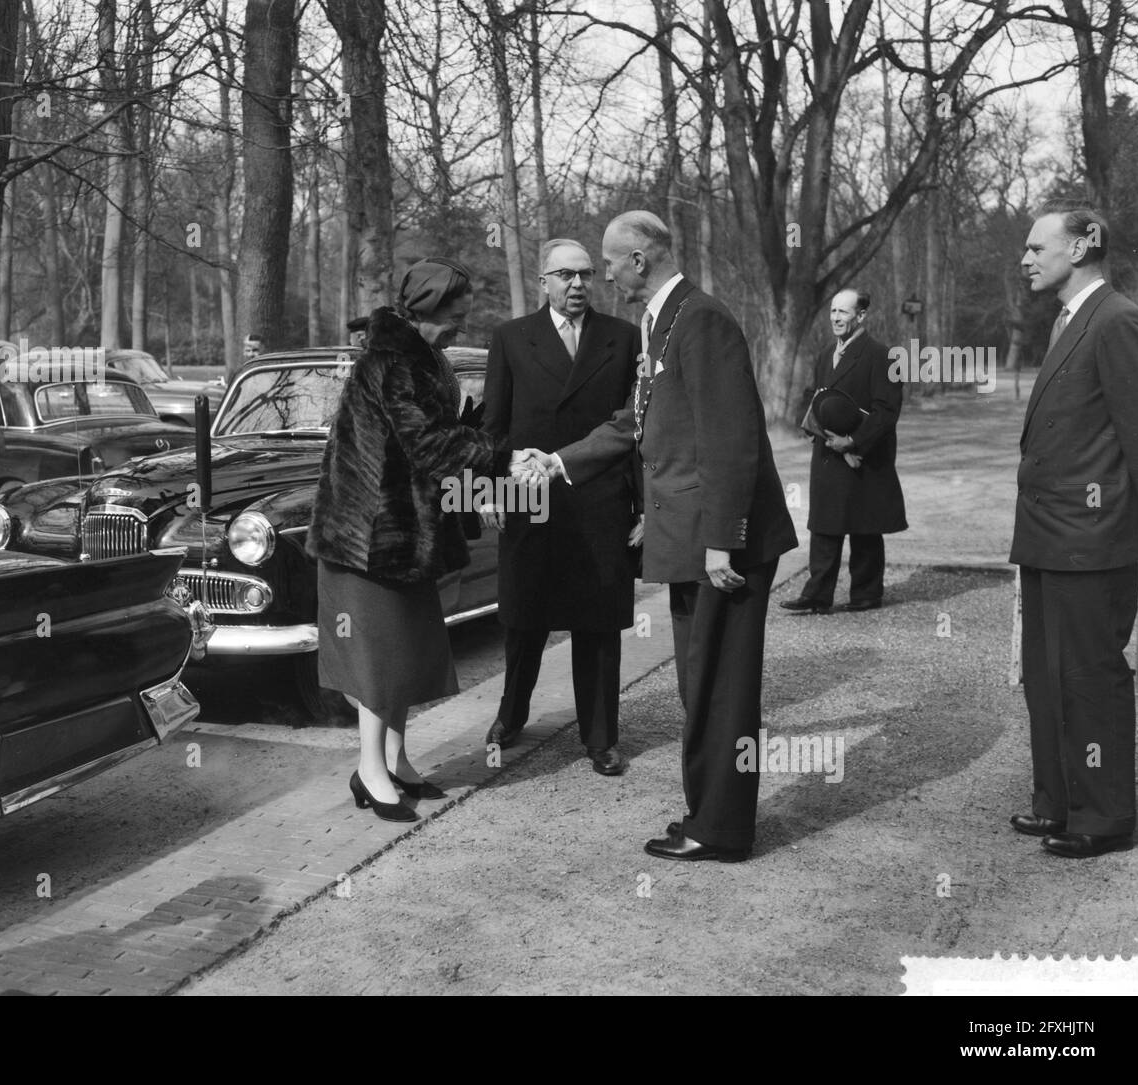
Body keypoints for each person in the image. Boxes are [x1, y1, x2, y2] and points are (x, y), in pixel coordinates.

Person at [517, 211, 797, 862]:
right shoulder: (662, 322)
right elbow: (632, 421)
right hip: (693, 540)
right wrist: (558, 461)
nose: (603, 274)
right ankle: (708, 815)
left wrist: (726, 540)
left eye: (611, 262)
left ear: (640, 259)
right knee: (699, 685)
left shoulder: (702, 321)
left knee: (719, 690)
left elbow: (731, 441)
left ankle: (720, 829)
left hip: (719, 546)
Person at [306, 258, 508, 822]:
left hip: (402, 534)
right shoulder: (390, 362)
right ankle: (369, 771)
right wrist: (495, 449)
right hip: (367, 536)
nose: (460, 329)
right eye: (454, 319)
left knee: (406, 650)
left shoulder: (425, 357)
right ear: (423, 311)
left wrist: (480, 429)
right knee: (379, 658)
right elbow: (425, 444)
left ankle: (394, 760)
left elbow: (437, 434)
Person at [1010, 203, 1138, 858]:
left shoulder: (1117, 320)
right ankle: (1058, 800)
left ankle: (1103, 815)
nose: (1026, 258)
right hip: (1048, 534)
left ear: (1085, 245)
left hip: (1091, 540)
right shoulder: (1069, 320)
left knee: (1088, 676)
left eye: (1039, 247)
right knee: (1046, 675)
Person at [480, 238, 643, 776]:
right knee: (524, 618)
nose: (577, 285)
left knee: (597, 624)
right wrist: (487, 489)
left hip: (600, 502)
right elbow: (493, 428)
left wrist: (642, 507)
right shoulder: (510, 338)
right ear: (544, 281)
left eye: (587, 275)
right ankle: (511, 714)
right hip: (530, 501)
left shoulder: (622, 338)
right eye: (566, 275)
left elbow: (635, 430)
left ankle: (600, 737)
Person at [780, 288, 906, 614]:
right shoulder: (825, 354)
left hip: (863, 456)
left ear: (861, 316)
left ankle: (866, 594)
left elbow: (886, 411)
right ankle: (816, 595)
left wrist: (853, 442)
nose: (836, 318)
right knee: (824, 525)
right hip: (826, 454)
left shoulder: (883, 355)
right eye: (833, 311)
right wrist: (807, 422)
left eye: (843, 312)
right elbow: (814, 394)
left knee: (864, 527)